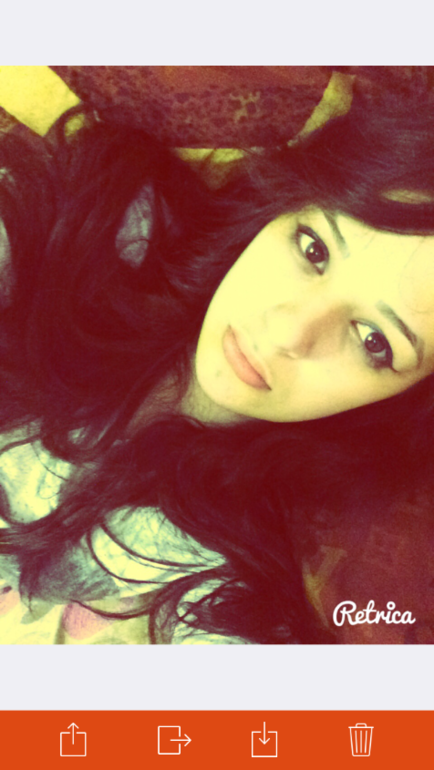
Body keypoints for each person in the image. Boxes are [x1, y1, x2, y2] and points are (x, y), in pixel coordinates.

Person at [0, 89, 434, 645]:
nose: (286, 332)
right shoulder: (107, 226)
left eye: (374, 340)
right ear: (282, 205)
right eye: (313, 249)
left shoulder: (234, 552)